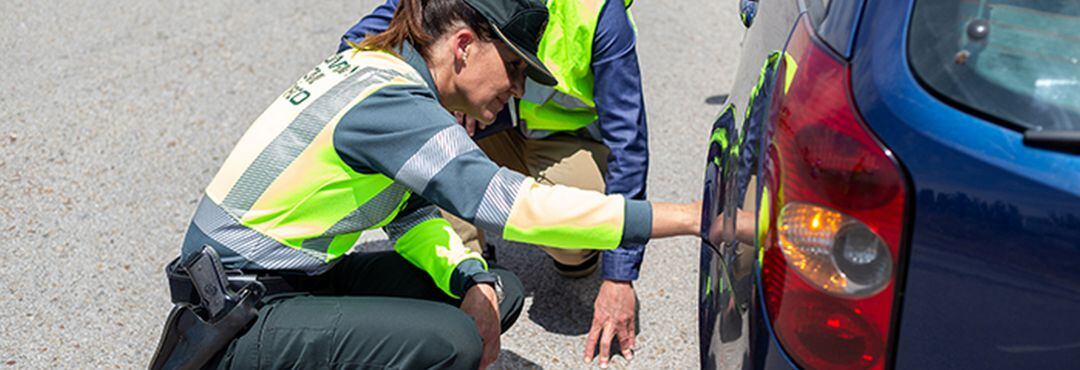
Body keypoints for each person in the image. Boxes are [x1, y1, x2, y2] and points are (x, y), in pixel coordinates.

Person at [157, 0, 701, 368]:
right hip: (236, 314)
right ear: (464, 45)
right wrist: (694, 219)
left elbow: (408, 214)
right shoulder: (390, 101)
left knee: (494, 288)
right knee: (454, 342)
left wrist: (469, 276)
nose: (515, 88)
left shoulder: (387, 67)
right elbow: (510, 205)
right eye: (512, 67)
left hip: (293, 278)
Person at [341, 1, 652, 366]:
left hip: (562, 142)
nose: (518, 86)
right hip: (481, 134)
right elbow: (365, 40)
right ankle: (466, 261)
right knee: (432, 90)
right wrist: (441, 78)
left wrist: (619, 276)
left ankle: (574, 253)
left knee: (579, 233)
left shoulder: (597, 13)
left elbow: (627, 139)